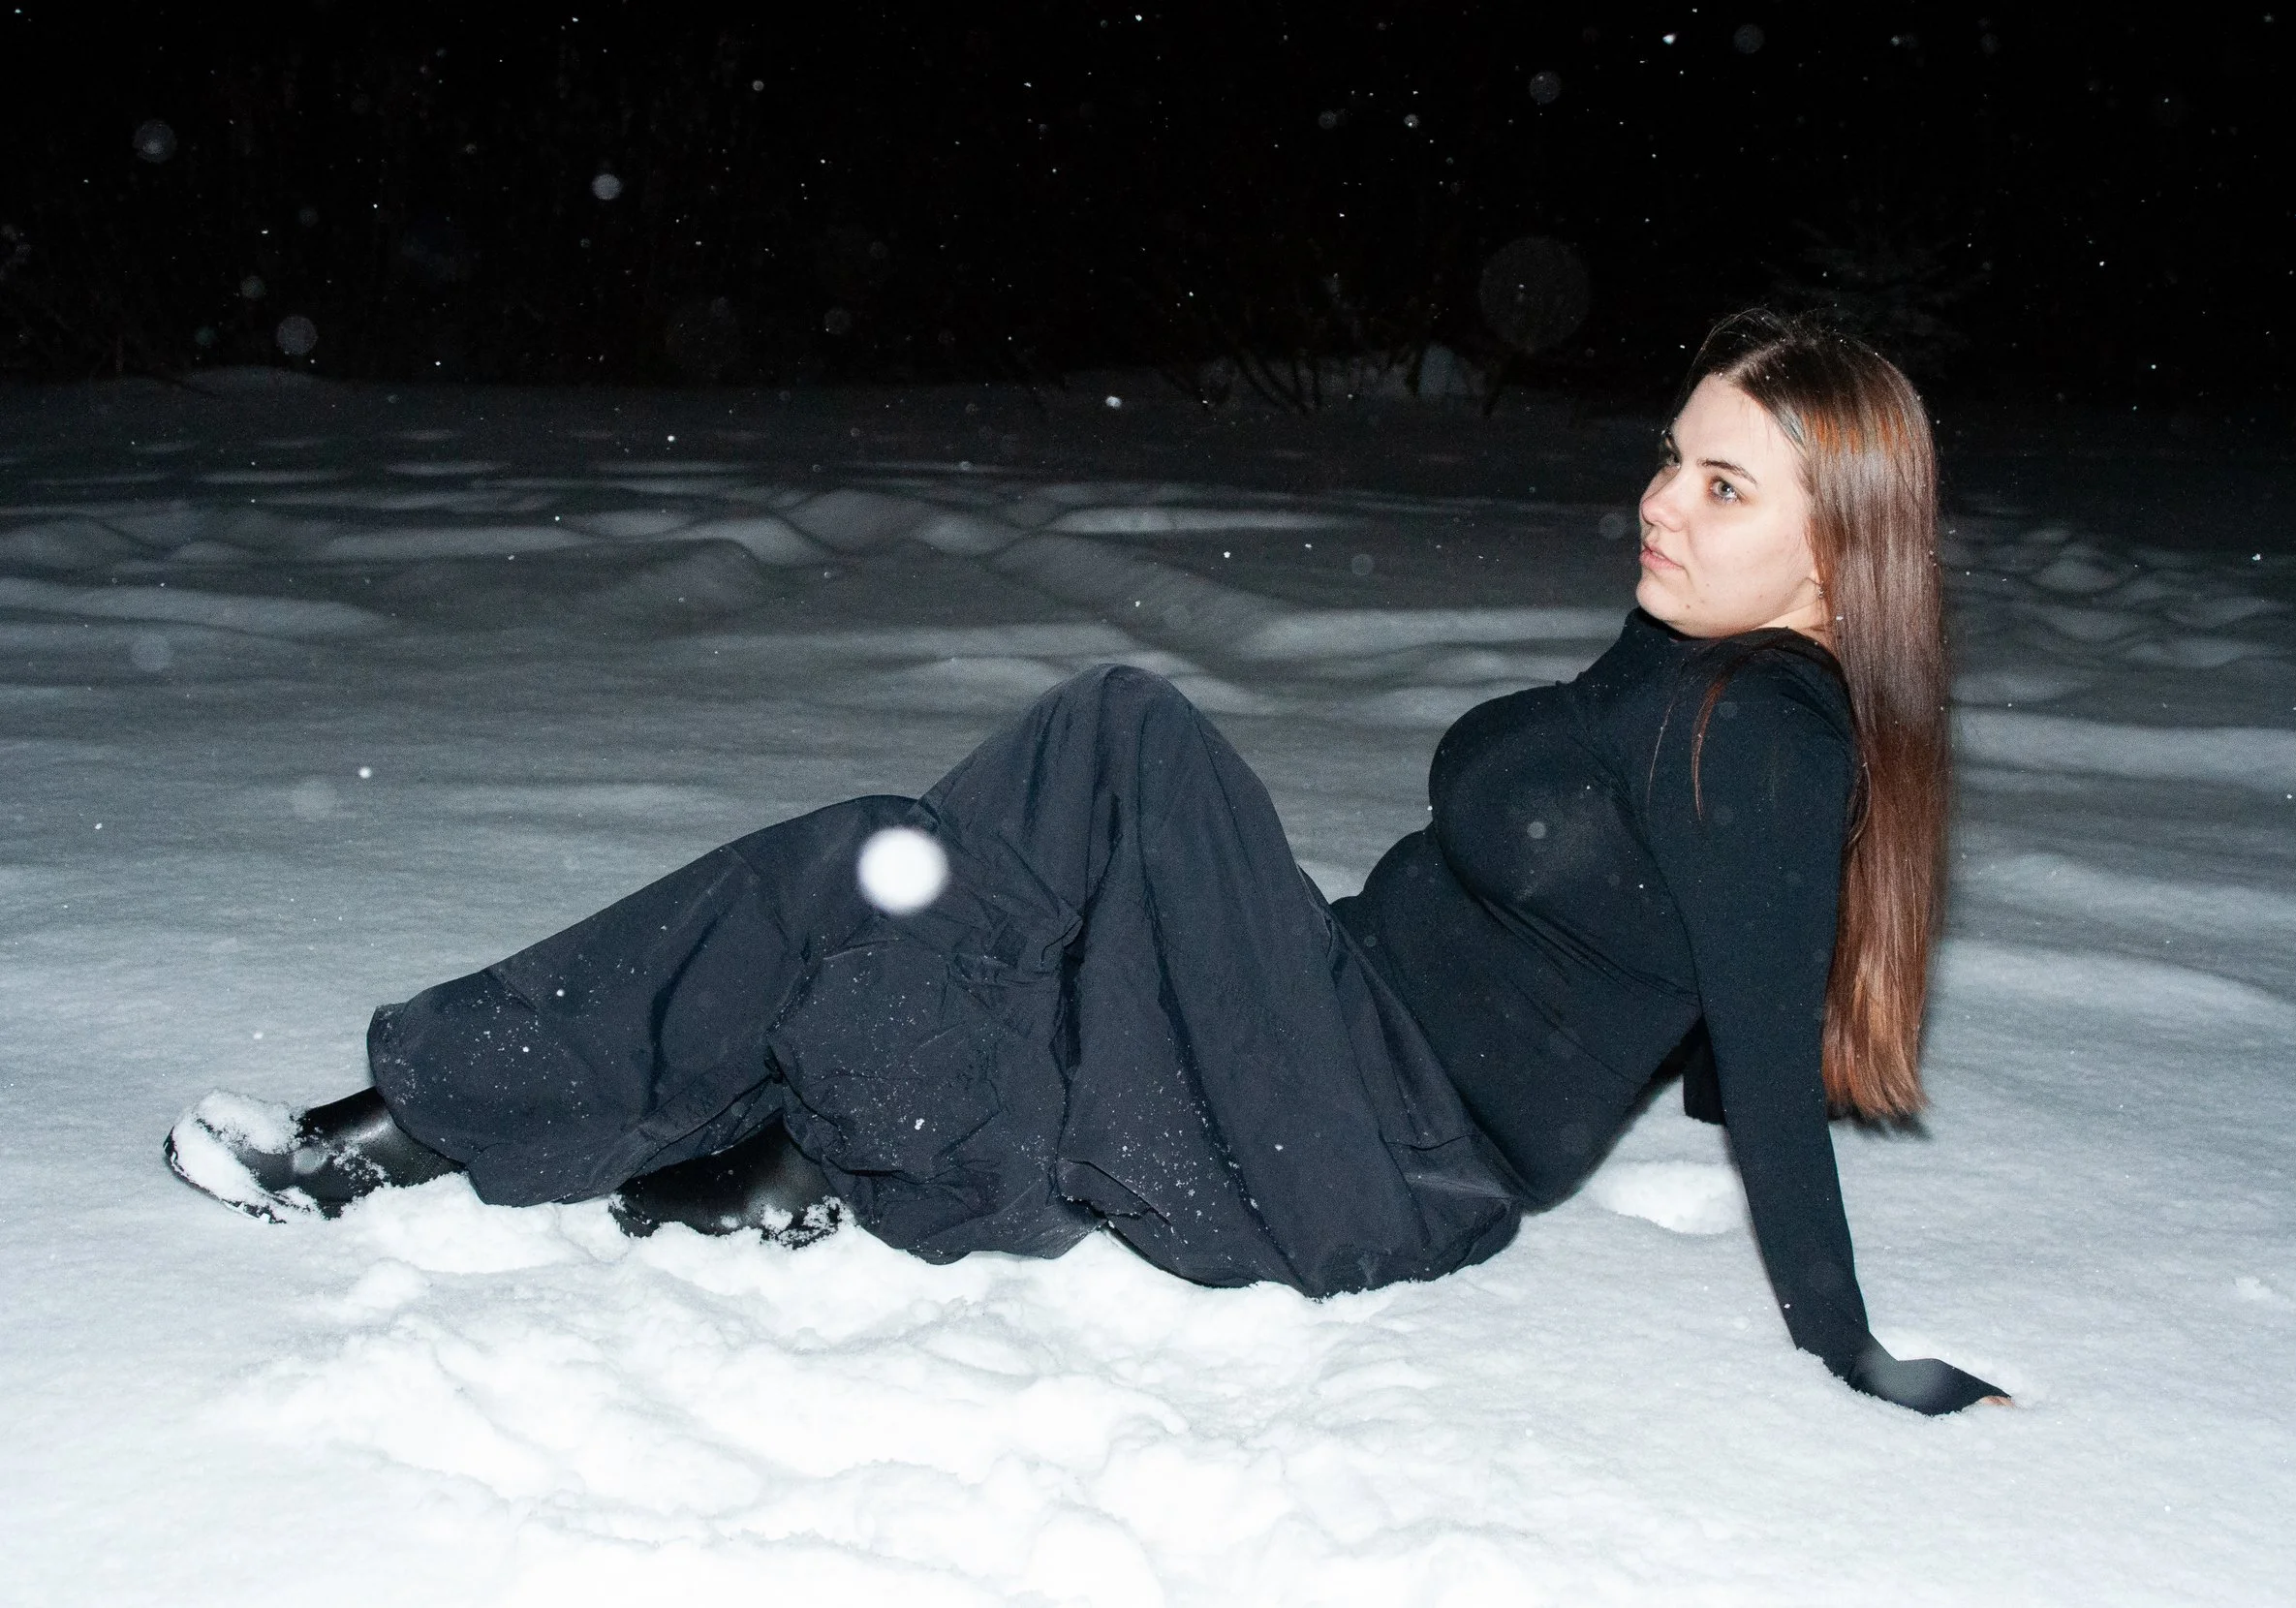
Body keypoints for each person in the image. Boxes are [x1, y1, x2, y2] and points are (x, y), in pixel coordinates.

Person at [166, 311, 2006, 1415]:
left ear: (1840, 555)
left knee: (1120, 733)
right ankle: (405, 1130)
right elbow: (1650, 947)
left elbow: (1761, 1051)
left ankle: (808, 1129)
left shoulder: (1770, 741)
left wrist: (1849, 1348)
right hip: (1306, 1025)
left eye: (1724, 488)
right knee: (866, 860)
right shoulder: (1684, 655)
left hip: (1378, 1150)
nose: (1661, 504)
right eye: (1675, 461)